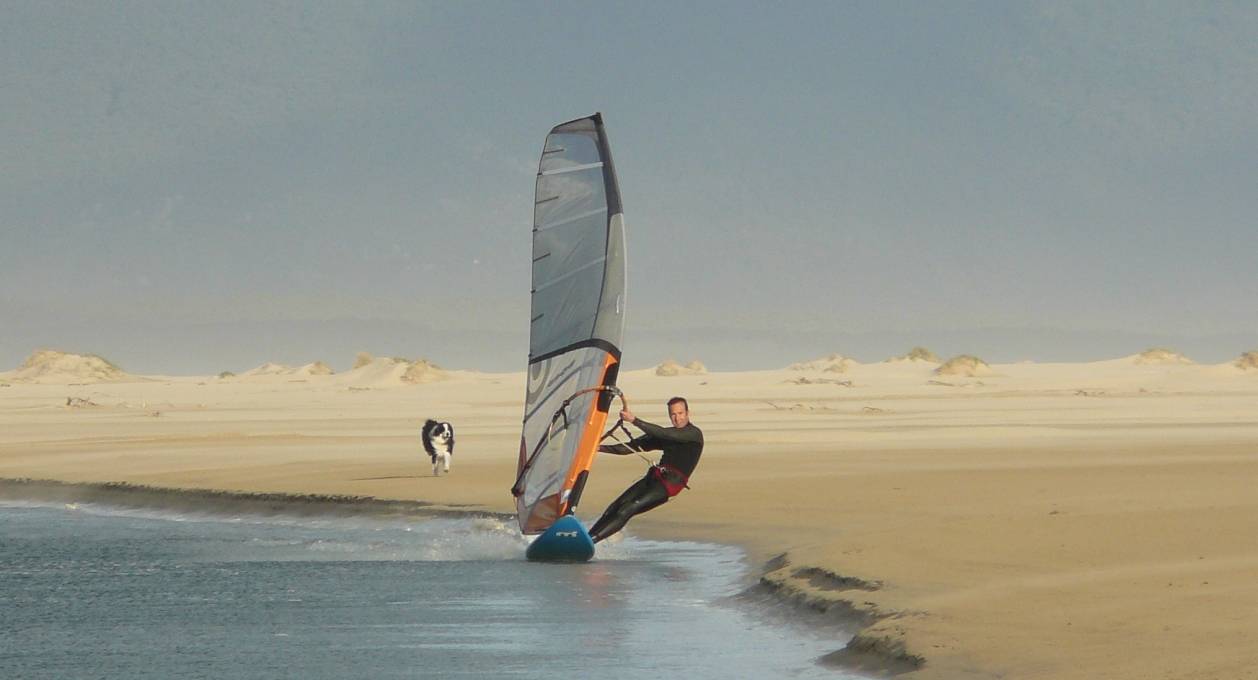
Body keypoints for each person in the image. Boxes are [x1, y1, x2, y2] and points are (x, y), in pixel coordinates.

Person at [588, 396, 704, 544]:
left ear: (688, 413)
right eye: (673, 414)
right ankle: (585, 539)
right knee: (615, 507)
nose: (677, 418)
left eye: (680, 413)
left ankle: (591, 541)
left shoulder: (693, 434)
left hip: (669, 486)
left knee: (628, 509)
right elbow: (629, 448)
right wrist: (598, 448)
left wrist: (633, 420)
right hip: (654, 478)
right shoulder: (667, 435)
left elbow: (664, 433)